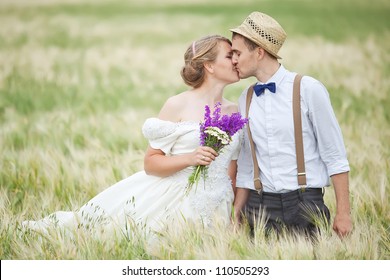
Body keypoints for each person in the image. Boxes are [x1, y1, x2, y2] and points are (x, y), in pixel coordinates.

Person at [22, 35, 242, 241]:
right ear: (209, 65)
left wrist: (233, 212)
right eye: (229, 55)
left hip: (217, 205)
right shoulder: (178, 105)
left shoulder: (235, 111)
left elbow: (231, 166)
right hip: (173, 201)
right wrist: (190, 158)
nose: (236, 60)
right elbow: (151, 163)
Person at [230, 12, 352, 238]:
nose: (233, 60)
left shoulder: (308, 89)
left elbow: (335, 155)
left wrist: (344, 213)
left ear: (259, 52)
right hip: (259, 207)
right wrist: (236, 214)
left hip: (305, 204)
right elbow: (247, 164)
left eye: (237, 53)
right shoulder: (245, 98)